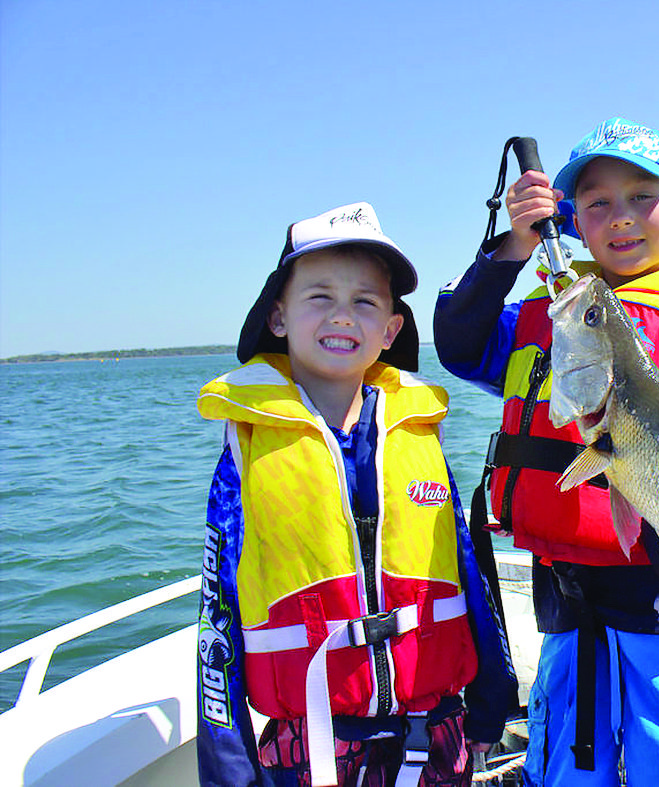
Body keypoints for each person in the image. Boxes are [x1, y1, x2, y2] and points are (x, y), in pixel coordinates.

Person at [434, 118, 659, 787]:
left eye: (640, 197)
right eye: (596, 203)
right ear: (571, 218)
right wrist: (511, 245)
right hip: (566, 597)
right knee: (563, 767)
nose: (619, 218)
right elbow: (460, 343)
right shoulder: (560, 312)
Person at [196, 202, 517, 787]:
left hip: (435, 730)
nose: (343, 317)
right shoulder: (247, 447)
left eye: (365, 302)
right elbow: (218, 606)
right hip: (311, 745)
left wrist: (494, 692)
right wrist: (228, 766)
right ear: (278, 317)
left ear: (392, 329)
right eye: (320, 296)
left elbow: (467, 564)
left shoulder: (416, 428)